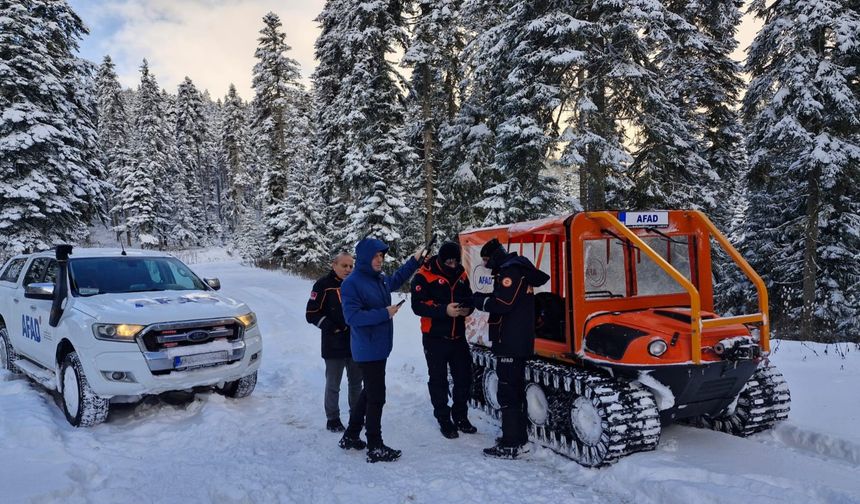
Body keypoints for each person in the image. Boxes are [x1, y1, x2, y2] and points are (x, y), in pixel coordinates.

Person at [338, 238, 423, 463]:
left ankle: (350, 435)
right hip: (367, 348)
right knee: (377, 396)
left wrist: (414, 261)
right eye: (376, 256)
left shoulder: (379, 280)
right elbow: (352, 317)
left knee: (369, 392)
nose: (380, 260)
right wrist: (384, 313)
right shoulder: (352, 283)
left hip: (379, 346)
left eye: (382, 256)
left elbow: (397, 278)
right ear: (365, 257)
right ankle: (375, 445)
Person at [472, 238, 550, 460]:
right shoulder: (515, 269)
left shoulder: (510, 271)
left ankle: (510, 443)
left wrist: (479, 301)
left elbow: (503, 304)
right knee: (513, 389)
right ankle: (516, 437)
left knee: (508, 391)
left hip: (511, 340)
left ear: (495, 255)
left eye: (487, 260)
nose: (486, 264)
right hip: (515, 339)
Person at [410, 241, 477, 439]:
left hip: (458, 336)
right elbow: (418, 306)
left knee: (464, 378)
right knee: (438, 380)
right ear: (440, 259)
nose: (452, 265)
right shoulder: (424, 275)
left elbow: (470, 298)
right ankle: (443, 418)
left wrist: (467, 309)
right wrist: (444, 310)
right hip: (434, 337)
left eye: (455, 261)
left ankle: (460, 416)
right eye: (448, 262)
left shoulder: (461, 274)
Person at [305, 252, 361, 433]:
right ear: (333, 265)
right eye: (344, 266)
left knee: (356, 383)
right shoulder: (322, 285)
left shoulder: (356, 284)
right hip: (333, 344)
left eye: (351, 266)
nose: (348, 269)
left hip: (356, 343)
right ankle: (333, 418)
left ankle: (357, 415)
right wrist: (332, 327)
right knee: (333, 384)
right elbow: (311, 314)